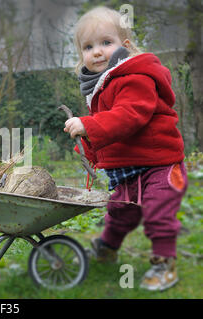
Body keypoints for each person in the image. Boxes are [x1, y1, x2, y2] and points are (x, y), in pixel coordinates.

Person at [63, 6, 188, 291]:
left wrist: (89, 126)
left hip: (160, 164)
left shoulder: (136, 77)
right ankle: (107, 248)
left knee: (158, 212)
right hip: (129, 169)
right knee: (120, 211)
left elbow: (130, 116)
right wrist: (89, 148)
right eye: (88, 46)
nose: (97, 52)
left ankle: (164, 264)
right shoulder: (100, 87)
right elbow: (107, 130)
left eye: (106, 43)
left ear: (126, 46)